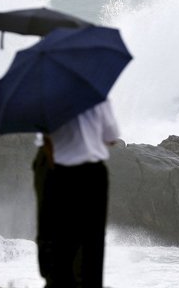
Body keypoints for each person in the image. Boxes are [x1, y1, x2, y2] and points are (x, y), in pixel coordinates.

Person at [32, 99, 120, 288]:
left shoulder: (44, 94)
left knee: (51, 230)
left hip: (50, 162)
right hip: (88, 169)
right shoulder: (94, 95)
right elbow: (111, 137)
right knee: (90, 237)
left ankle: (53, 279)